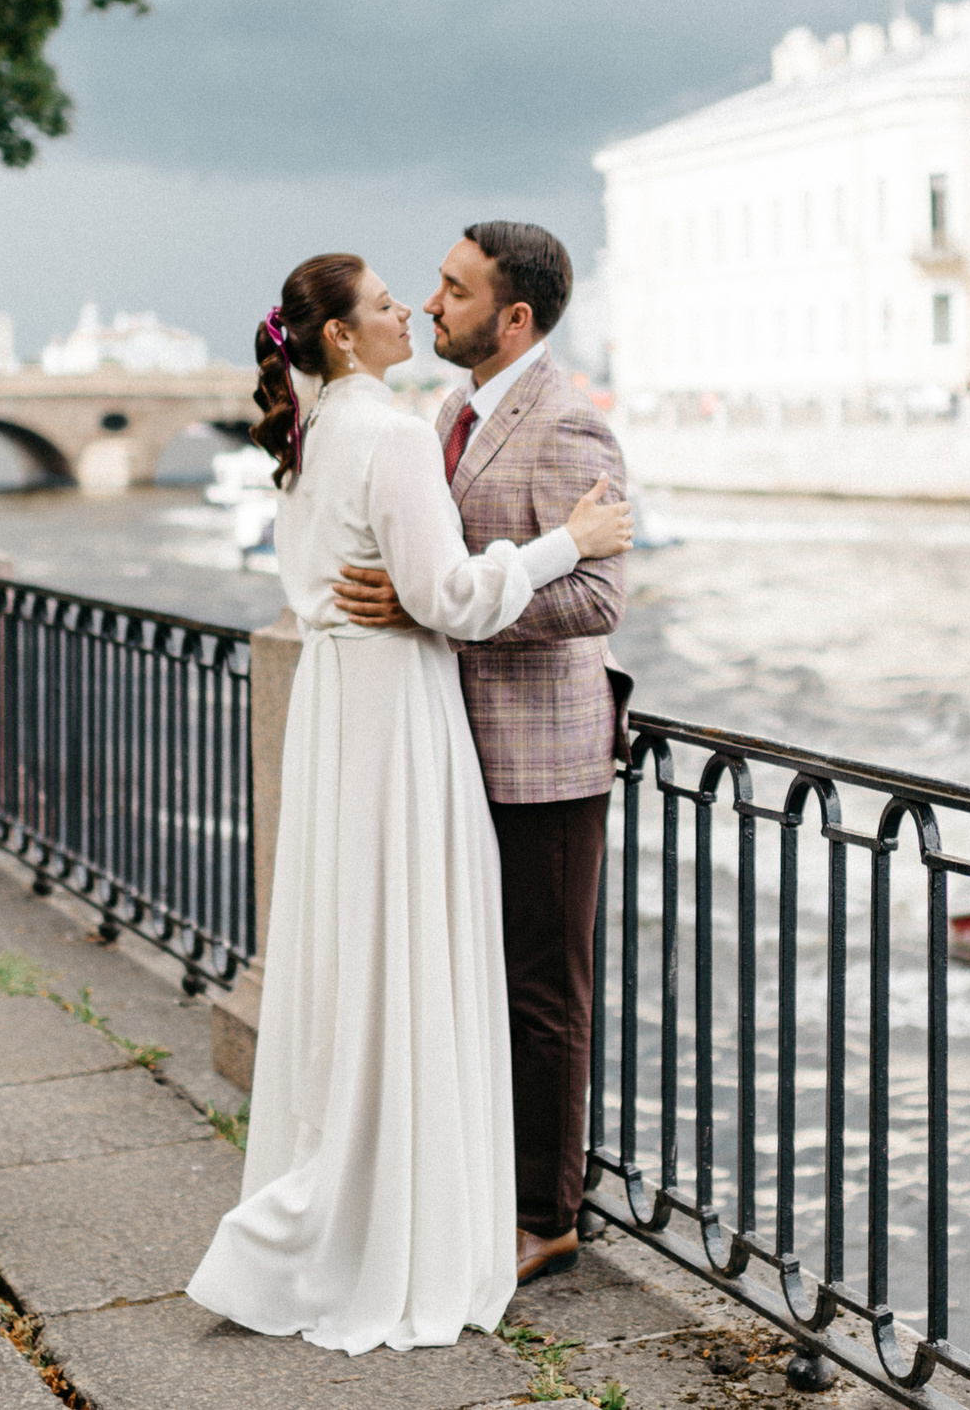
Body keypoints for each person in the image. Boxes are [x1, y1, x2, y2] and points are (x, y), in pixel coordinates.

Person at [184, 253, 634, 1356]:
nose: (413, 308)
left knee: (363, 954)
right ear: (341, 335)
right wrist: (565, 541)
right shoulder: (390, 428)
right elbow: (447, 597)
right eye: (391, 300)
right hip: (401, 711)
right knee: (413, 951)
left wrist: (425, 586)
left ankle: (385, 1188)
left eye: (432, 290)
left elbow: (385, 583)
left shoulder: (314, 428)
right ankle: (425, 1208)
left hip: (344, 711)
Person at [329, 221, 628, 1288]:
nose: (430, 302)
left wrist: (436, 614)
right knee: (472, 979)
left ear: (514, 315)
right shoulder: (453, 411)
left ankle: (547, 1211)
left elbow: (597, 595)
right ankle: (478, 1178)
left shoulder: (567, 427)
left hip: (545, 758)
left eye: (453, 290)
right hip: (454, 749)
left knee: (544, 989)